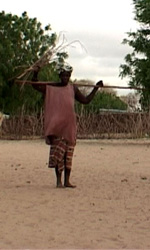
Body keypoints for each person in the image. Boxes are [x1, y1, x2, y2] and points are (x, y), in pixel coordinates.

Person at [32, 64, 103, 188]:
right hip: (56, 126)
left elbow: (85, 101)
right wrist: (35, 73)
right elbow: (35, 85)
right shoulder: (51, 87)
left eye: (68, 75)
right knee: (58, 154)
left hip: (69, 126)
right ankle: (59, 181)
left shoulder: (72, 89)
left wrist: (96, 88)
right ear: (59, 76)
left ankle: (67, 181)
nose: (65, 78)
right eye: (63, 75)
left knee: (68, 155)